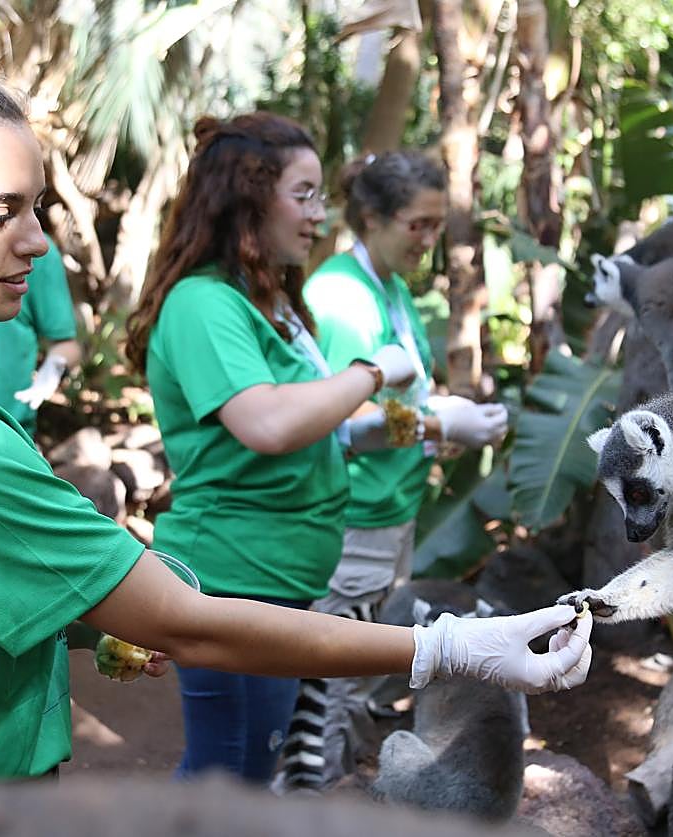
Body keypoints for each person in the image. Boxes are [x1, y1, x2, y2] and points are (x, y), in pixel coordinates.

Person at [0, 48, 591, 785]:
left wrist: (86, 618)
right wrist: (452, 646)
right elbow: (247, 474)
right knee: (232, 779)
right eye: (0, 213)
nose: (40, 242)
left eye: (38, 207)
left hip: (270, 574)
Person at [274, 150, 508, 792]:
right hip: (353, 522)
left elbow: (392, 405)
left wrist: (438, 425)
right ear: (372, 218)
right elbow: (342, 423)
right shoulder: (341, 297)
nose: (431, 241)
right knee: (324, 691)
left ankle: (329, 793)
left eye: (437, 226)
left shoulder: (392, 288)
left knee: (353, 685)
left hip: (390, 516)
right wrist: (439, 424)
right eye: (419, 225)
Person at [0, 234, 82, 434]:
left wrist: (54, 368)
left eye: (37, 208)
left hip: (8, 431)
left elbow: (67, 344)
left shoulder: (37, 254)